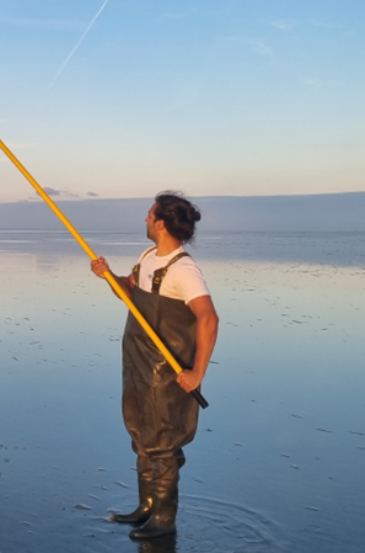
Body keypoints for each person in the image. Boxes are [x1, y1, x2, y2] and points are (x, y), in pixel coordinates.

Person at [89, 191, 219, 540]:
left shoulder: (184, 270)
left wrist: (197, 373)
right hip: (138, 361)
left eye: (149, 215)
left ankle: (164, 520)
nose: (145, 219)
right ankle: (147, 506)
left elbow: (208, 319)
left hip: (167, 370)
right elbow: (129, 292)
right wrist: (108, 276)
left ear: (161, 222)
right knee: (140, 431)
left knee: (161, 439)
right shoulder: (148, 257)